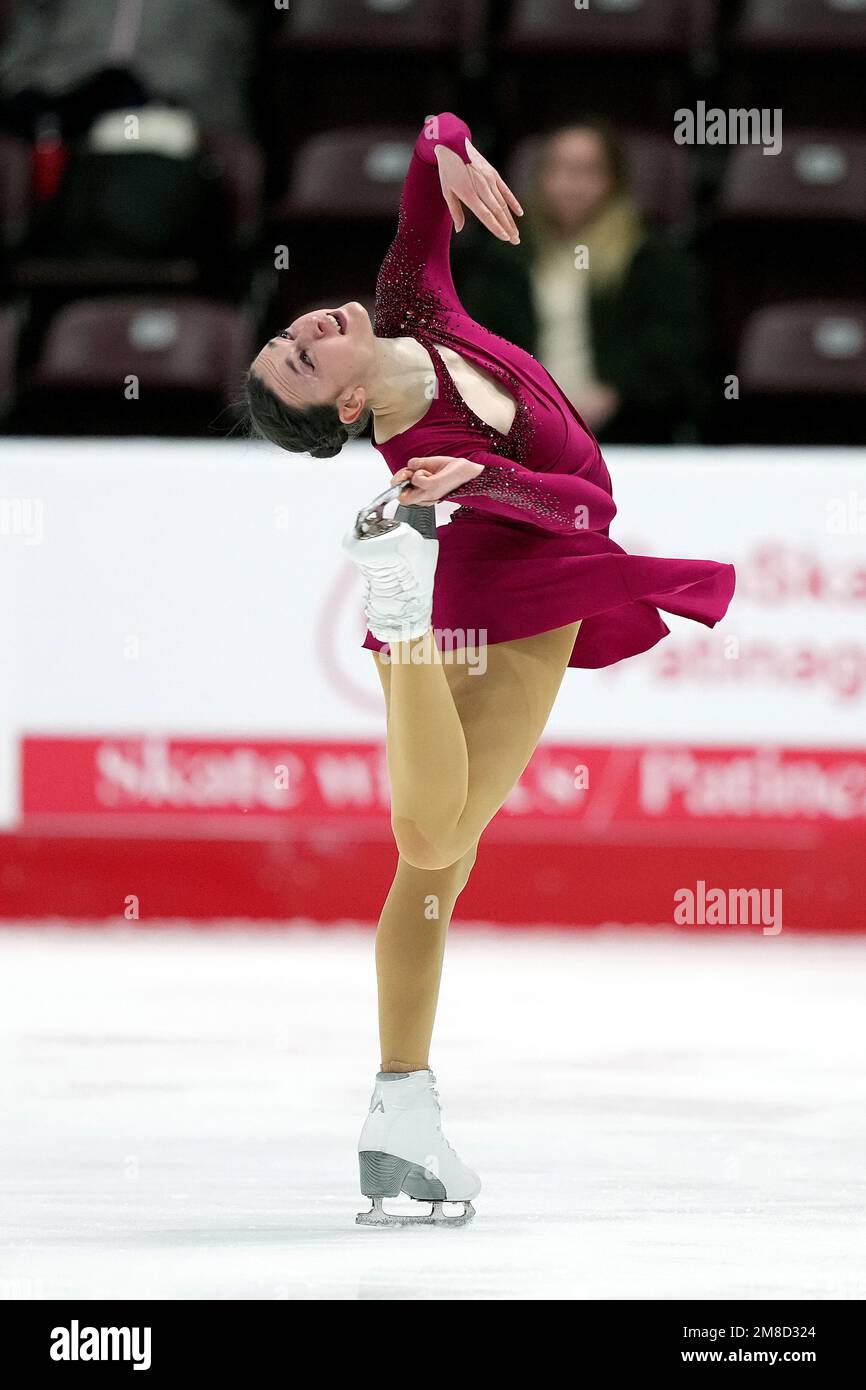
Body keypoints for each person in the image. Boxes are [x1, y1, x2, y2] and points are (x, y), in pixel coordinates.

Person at [245, 113, 735, 1227]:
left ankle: (398, 1113)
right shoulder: (421, 452)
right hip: (503, 593)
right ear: (350, 410)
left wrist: (447, 143)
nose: (306, 327)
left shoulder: (410, 307)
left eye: (290, 333)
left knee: (434, 870)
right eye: (301, 359)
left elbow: (428, 157)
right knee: (433, 842)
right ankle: (400, 618)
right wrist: (479, 483)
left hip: (463, 576)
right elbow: (584, 513)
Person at [453, 120, 705, 443]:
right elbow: (477, 342)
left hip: (629, 431)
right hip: (519, 431)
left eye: (587, 170)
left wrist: (615, 393)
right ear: (540, 176)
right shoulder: (506, 257)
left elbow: (671, 348)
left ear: (613, 181)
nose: (571, 183)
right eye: (559, 168)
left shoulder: (651, 259)